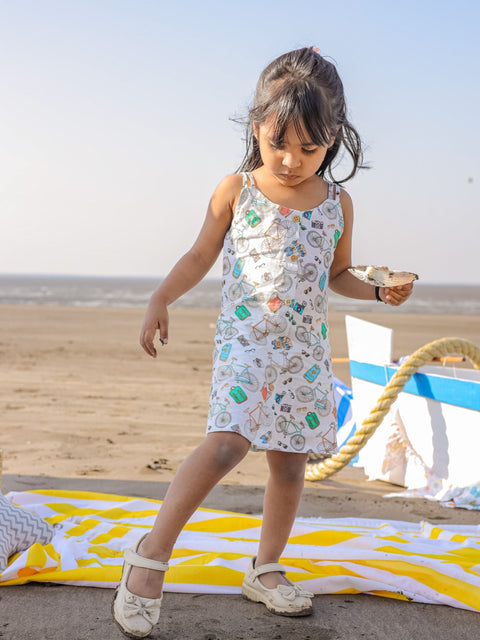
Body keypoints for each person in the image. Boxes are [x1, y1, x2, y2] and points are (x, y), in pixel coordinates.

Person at [112, 47, 413, 638]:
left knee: (290, 464)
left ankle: (266, 568)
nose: (292, 159)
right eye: (279, 143)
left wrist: (379, 292)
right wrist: (160, 298)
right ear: (256, 128)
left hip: (303, 352)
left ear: (332, 140)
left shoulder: (338, 203)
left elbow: (338, 274)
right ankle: (149, 555)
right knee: (226, 445)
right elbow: (200, 254)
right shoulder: (237, 189)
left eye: (310, 148)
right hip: (245, 344)